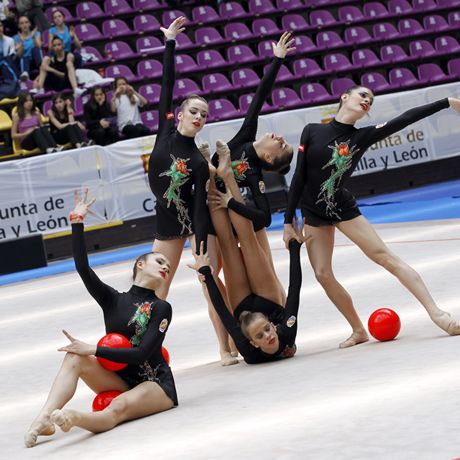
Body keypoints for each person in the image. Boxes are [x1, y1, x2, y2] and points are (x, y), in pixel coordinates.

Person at [283, 85, 460, 347]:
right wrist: (288, 220)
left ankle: (437, 314)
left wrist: (445, 102)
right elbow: (298, 177)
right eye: (362, 95)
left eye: (371, 100)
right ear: (344, 97)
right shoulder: (312, 130)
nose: (367, 101)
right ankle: (358, 330)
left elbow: (404, 119)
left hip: (342, 208)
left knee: (385, 257)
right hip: (313, 212)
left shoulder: (362, 137)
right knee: (322, 273)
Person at [24, 190, 177, 448]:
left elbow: (140, 354)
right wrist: (77, 221)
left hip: (155, 385)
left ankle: (73, 418)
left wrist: (94, 348)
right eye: (160, 261)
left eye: (168, 267)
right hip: (121, 380)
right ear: (140, 265)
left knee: (116, 408)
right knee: (74, 356)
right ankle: (44, 418)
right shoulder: (113, 300)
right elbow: (83, 268)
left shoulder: (161, 308)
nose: (166, 266)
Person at [149, 17, 236, 366]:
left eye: (204, 114)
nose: (199, 117)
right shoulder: (163, 134)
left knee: (210, 280)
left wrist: (200, 246)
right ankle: (146, 352)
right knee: (156, 286)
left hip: (198, 224)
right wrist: (169, 42)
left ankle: (226, 347)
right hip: (167, 221)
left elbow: (200, 206)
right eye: (194, 111)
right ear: (180, 114)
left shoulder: (199, 163)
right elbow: (166, 84)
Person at [188, 144, 304, 364]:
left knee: (228, 245)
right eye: (269, 332)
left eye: (261, 336)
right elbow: (295, 288)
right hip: (269, 302)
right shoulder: (287, 334)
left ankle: (211, 175)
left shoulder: (246, 350)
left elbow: (222, 308)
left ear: (252, 342)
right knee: (248, 240)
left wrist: (205, 270)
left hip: (240, 306)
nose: (268, 335)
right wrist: (295, 249)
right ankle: (228, 175)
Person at [202, 31, 295, 303]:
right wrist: (277, 59)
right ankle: (227, 338)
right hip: (214, 212)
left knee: (264, 267)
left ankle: (279, 311)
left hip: (239, 214)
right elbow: (259, 97)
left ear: (269, 159)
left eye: (281, 146)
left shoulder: (255, 174)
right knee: (211, 275)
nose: (279, 138)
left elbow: (264, 217)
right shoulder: (244, 138)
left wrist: (233, 203)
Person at [13, 15, 42, 81]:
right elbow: (19, 55)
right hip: (24, 62)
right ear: (19, 26)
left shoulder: (37, 33)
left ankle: (42, 70)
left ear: (29, 24)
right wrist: (22, 41)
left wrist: (33, 37)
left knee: (35, 49)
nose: (24, 25)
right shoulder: (16, 38)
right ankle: (26, 79)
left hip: (36, 60)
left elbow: (39, 47)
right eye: (22, 23)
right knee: (24, 58)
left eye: (26, 22)